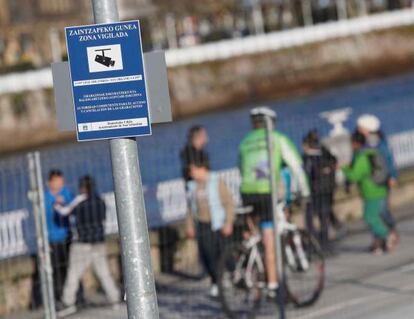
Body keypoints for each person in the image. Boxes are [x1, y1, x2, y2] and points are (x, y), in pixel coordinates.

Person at [239, 106, 310, 296]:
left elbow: (241, 168)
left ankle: (251, 259)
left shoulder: (245, 142)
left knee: (256, 232)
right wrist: (305, 192)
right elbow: (297, 166)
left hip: (247, 193)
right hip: (267, 192)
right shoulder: (277, 138)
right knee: (270, 239)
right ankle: (272, 286)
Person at [56, 176, 120, 316]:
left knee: (73, 274)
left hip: (82, 243)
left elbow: (64, 212)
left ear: (83, 188)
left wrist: (57, 204)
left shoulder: (80, 201)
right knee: (104, 273)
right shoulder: (100, 200)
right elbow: (103, 218)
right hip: (98, 242)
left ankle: (68, 302)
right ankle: (114, 298)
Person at [185, 164, 235, 298]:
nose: (191, 173)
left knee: (225, 253)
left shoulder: (216, 182)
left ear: (202, 168)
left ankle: (232, 275)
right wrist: (189, 226)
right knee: (207, 255)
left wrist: (228, 222)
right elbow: (190, 209)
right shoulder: (192, 187)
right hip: (203, 225)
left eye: (193, 169)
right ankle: (215, 281)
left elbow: (229, 203)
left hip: (218, 223)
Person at [342, 131, 390, 254]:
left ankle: (386, 235)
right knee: (376, 216)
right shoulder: (372, 152)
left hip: (372, 191)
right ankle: (379, 244)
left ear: (356, 143)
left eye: (351, 143)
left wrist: (343, 167)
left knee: (370, 217)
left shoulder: (362, 157)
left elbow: (354, 176)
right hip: (380, 189)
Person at [357, 114, 398, 248]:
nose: (358, 129)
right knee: (375, 212)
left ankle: (388, 232)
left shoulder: (378, 142)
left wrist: (393, 176)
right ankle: (379, 238)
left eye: (361, 127)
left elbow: (388, 160)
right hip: (370, 183)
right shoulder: (365, 142)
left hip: (380, 181)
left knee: (381, 210)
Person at [302, 130, 344, 252]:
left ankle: (316, 241)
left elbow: (307, 175)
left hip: (315, 192)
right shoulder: (325, 153)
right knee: (324, 215)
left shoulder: (308, 158)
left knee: (310, 217)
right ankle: (325, 240)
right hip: (328, 190)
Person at [44, 170, 74, 301]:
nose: (60, 183)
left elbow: (74, 208)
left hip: (67, 237)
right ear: (50, 182)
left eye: (61, 180)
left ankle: (76, 297)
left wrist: (64, 204)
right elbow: (42, 219)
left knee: (72, 269)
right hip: (53, 241)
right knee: (56, 270)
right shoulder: (45, 198)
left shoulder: (67, 194)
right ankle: (58, 298)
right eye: (57, 181)